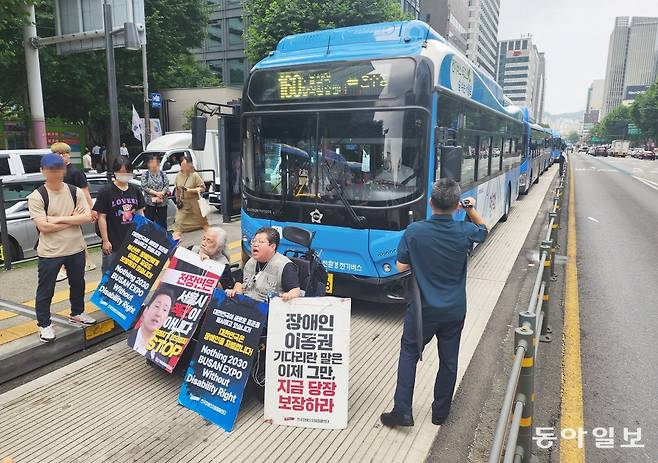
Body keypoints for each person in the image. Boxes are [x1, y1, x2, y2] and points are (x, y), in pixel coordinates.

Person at [380, 178, 488, 428]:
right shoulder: (465, 231)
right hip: (454, 310)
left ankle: (402, 412)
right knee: (449, 361)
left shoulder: (415, 231)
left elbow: (401, 266)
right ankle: (440, 413)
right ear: (457, 207)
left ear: (430, 202)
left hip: (422, 311)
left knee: (408, 354)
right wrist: (471, 209)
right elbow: (484, 231)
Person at [27, 153, 96, 343]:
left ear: (64, 170)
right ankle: (44, 323)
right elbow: (43, 227)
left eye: (58, 169)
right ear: (42, 171)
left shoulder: (75, 192)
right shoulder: (37, 196)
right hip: (50, 252)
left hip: (75, 248)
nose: (55, 173)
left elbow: (86, 217)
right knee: (46, 289)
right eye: (50, 170)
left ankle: (77, 313)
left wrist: (56, 218)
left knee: (78, 283)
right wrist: (72, 220)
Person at [51, 142, 97, 278]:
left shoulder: (75, 172)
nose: (59, 156)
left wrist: (91, 210)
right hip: (62, 209)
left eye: (61, 153)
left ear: (67, 155)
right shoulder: (57, 171)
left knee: (68, 237)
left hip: (75, 210)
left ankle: (65, 268)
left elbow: (85, 192)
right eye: (56, 154)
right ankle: (88, 262)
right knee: (75, 237)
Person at [93, 156, 145, 274]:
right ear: (115, 172)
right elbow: (102, 218)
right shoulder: (106, 191)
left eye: (127, 172)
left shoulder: (135, 190)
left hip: (132, 242)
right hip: (113, 243)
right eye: (121, 172)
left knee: (130, 275)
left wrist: (142, 235)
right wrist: (105, 241)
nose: (124, 174)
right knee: (109, 276)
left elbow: (140, 213)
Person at [226, 227, 300, 302]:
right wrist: (235, 293)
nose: (255, 245)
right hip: (246, 305)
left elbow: (295, 290)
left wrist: (289, 296)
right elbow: (240, 282)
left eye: (261, 242)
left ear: (272, 247)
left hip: (267, 308)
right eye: (253, 241)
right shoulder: (250, 262)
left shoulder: (285, 266)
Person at [127, 288, 174, 356]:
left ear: (166, 319)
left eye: (164, 310)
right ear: (145, 310)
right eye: (156, 306)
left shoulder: (162, 355)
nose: (158, 314)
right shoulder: (132, 338)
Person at [172, 154, 208, 242]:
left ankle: (211, 238)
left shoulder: (194, 175)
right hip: (183, 203)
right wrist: (177, 200)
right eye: (182, 165)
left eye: (186, 164)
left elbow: (203, 188)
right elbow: (177, 189)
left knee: (203, 222)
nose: (184, 167)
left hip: (195, 203)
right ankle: (174, 242)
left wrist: (190, 190)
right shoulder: (178, 175)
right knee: (178, 222)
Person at [141, 154, 169, 230]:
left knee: (162, 222)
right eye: (151, 162)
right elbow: (144, 186)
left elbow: (166, 185)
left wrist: (162, 193)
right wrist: (156, 193)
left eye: (155, 162)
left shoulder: (163, 174)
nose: (153, 164)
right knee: (149, 221)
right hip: (150, 202)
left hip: (162, 201)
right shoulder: (145, 174)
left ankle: (163, 238)